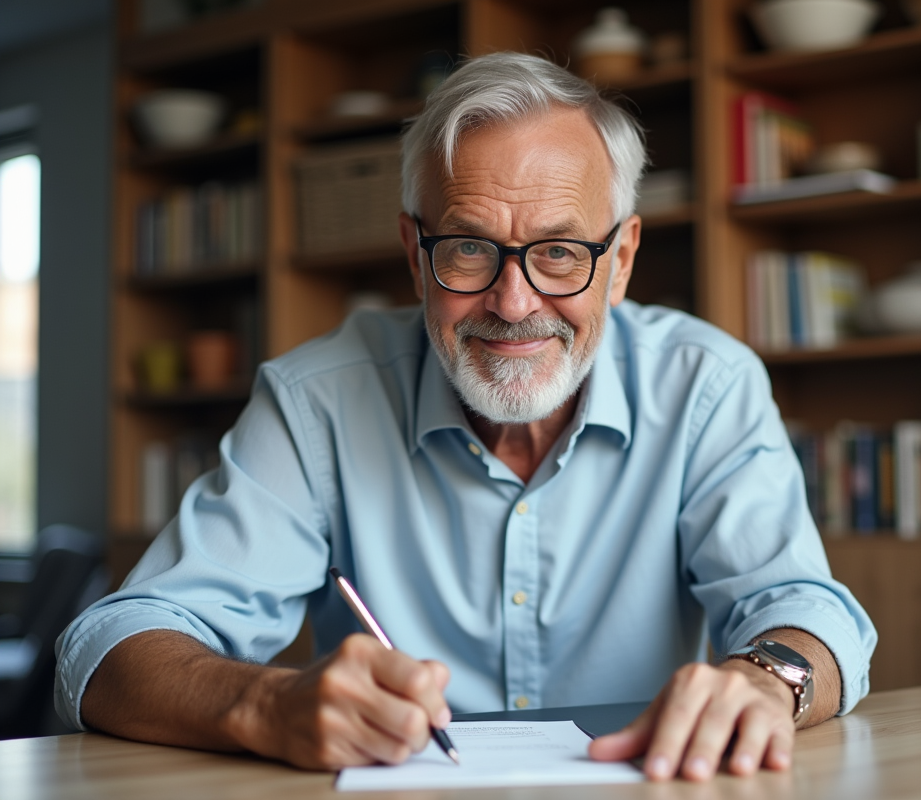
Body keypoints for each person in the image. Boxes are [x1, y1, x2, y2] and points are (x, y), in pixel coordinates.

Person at [56, 52, 875, 782]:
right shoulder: (317, 401)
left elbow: (804, 607)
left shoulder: (707, 385)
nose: (514, 304)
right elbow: (113, 646)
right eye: (469, 249)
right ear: (416, 255)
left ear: (620, 260)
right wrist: (265, 704)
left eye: (561, 251)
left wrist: (768, 679)